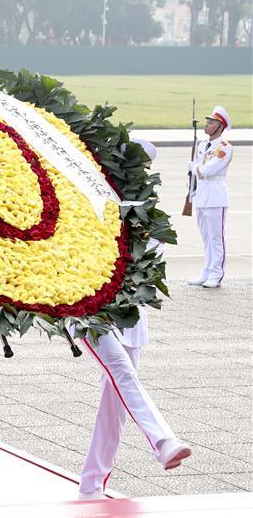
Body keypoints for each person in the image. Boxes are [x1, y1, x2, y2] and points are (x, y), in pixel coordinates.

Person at [77, 138, 191, 499]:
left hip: (131, 318)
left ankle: (91, 484)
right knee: (123, 374)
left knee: (115, 407)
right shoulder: (90, 202)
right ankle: (163, 440)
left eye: (141, 170)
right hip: (91, 313)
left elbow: (147, 265)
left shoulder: (149, 214)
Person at [187, 105, 233, 288]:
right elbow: (198, 172)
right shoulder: (201, 146)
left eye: (211, 122)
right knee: (206, 238)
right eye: (207, 122)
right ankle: (206, 271)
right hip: (201, 196)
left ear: (220, 126)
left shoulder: (224, 147)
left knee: (216, 238)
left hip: (215, 197)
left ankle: (216, 273)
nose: (207, 125)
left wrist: (194, 167)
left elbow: (207, 170)